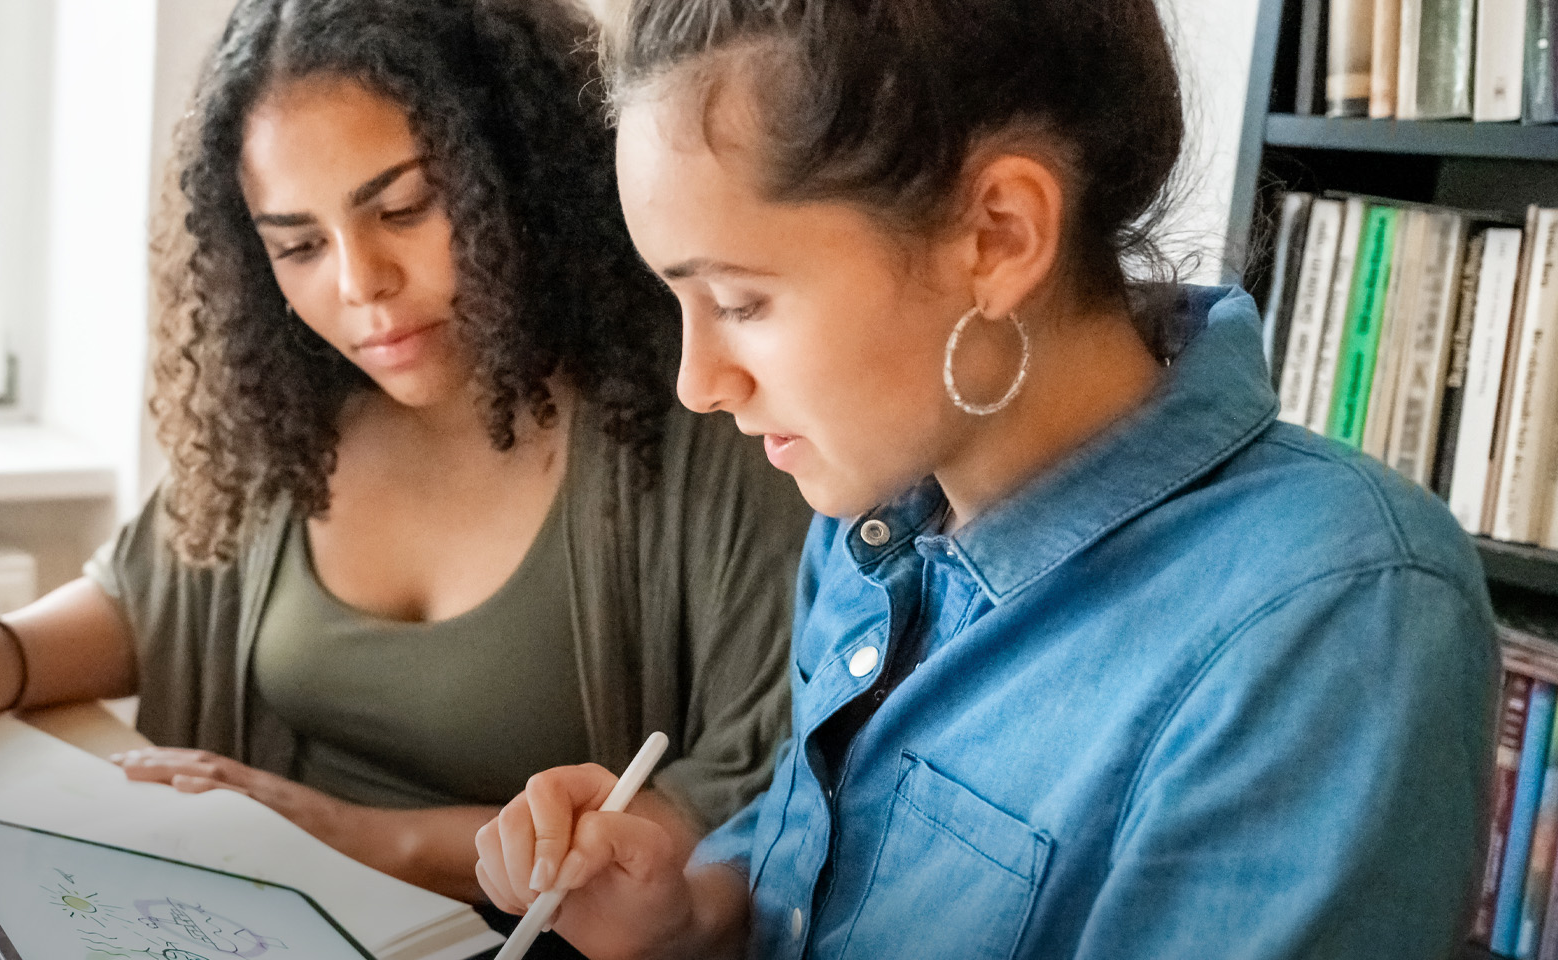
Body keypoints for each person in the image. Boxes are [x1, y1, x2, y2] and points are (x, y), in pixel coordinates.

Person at [473, 0, 1498, 956]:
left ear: (998, 236)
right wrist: (693, 906)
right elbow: (816, 861)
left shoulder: (1335, 615)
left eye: (740, 301)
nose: (698, 383)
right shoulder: (872, 519)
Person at [0, 0, 812, 920]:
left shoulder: (711, 429)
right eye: (297, 244)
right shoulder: (299, 413)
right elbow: (155, 594)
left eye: (403, 208)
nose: (360, 284)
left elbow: (731, 809)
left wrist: (341, 834)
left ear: (521, 177)